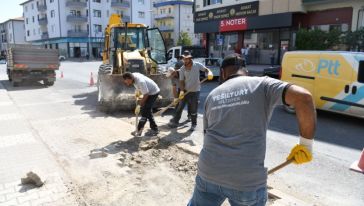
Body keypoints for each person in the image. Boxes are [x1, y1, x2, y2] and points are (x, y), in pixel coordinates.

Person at [187, 54, 316, 206]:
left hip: (208, 173)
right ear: (245, 71)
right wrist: (306, 145)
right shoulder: (262, 84)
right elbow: (304, 97)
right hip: (246, 182)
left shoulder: (212, 95)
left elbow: (206, 136)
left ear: (222, 73)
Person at [168, 50, 213, 131]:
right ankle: (175, 122)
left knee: (193, 108)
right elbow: (181, 81)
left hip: (195, 91)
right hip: (185, 90)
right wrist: (181, 91)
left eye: (186, 59)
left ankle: (194, 124)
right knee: (180, 106)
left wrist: (209, 72)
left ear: (190, 58)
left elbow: (206, 69)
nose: (184, 60)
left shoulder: (197, 65)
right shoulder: (182, 69)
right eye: (183, 59)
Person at [122, 72, 160, 136]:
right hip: (147, 92)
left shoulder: (140, 82)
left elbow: (146, 94)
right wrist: (138, 92)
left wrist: (139, 105)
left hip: (153, 93)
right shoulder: (133, 75)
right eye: (126, 82)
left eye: (127, 82)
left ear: (130, 79)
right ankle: (154, 129)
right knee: (147, 111)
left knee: (145, 112)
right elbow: (141, 88)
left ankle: (139, 130)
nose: (127, 83)